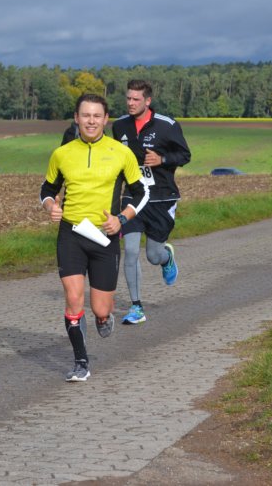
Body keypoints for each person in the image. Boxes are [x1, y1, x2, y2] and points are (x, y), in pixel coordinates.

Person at [40, 93, 149, 382]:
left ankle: (103, 317)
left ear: (105, 119)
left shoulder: (121, 153)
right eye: (86, 115)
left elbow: (142, 193)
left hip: (105, 236)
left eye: (96, 116)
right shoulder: (62, 154)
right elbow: (47, 190)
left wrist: (121, 219)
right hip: (71, 234)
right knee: (73, 298)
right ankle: (80, 362)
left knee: (101, 307)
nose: (91, 121)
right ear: (77, 118)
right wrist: (51, 207)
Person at [112, 79, 191, 325]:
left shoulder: (167, 125)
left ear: (148, 101)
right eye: (128, 98)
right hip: (133, 197)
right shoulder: (119, 126)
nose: (130, 103)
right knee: (130, 251)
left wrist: (162, 159)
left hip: (161, 197)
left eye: (136, 99)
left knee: (153, 255)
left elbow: (185, 155)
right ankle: (136, 307)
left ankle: (166, 257)